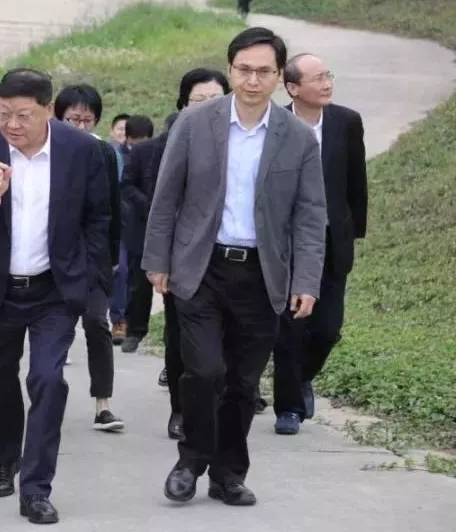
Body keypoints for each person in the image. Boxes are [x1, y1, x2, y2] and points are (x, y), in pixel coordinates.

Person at [143, 28, 326, 506]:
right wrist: (157, 260)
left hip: (263, 275)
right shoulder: (195, 123)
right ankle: (191, 459)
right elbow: (166, 196)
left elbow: (310, 216)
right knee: (204, 371)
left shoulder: (298, 138)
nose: (252, 80)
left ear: (279, 77)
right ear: (230, 71)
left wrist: (306, 280)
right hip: (201, 267)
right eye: (244, 70)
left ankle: (228, 474)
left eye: (264, 71)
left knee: (243, 384)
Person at [0, 69, 114, 524]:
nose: (12, 124)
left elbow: (99, 218)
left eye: (23, 115)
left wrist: (89, 278)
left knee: (47, 379)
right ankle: (5, 459)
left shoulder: (81, 150)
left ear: (48, 110)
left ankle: (36, 488)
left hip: (53, 290)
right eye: (3, 113)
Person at [119, 69, 229, 442]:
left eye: (216, 99)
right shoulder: (162, 148)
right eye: (200, 100)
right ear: (183, 105)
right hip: (183, 258)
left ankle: (221, 404)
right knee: (181, 335)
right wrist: (158, 259)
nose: (209, 107)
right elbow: (158, 204)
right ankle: (181, 409)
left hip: (232, 257)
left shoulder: (245, 143)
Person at [271, 53, 368, 434]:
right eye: (317, 79)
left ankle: (302, 378)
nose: (327, 84)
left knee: (328, 328)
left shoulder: (346, 122)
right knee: (290, 328)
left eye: (328, 76)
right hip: (287, 242)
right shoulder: (276, 124)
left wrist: (353, 232)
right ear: (292, 88)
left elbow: (356, 181)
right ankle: (288, 408)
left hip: (331, 239)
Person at [52, 83, 124, 432]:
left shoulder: (103, 153)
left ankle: (103, 403)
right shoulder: (45, 149)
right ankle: (47, 399)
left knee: (97, 322)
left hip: (93, 255)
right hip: (53, 256)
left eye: (87, 120)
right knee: (54, 329)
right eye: (73, 119)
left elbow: (113, 207)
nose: (80, 126)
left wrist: (112, 253)